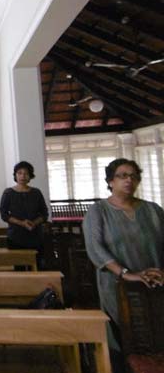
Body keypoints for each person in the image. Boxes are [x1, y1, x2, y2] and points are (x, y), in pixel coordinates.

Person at [83, 158, 164, 372]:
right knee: (124, 336)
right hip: (117, 285)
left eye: (134, 176)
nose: (129, 180)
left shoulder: (153, 210)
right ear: (111, 181)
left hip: (154, 283)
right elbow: (95, 248)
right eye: (122, 176)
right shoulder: (98, 211)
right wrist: (126, 273)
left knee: (156, 332)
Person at [0, 161, 48, 267]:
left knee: (37, 266)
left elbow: (44, 214)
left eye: (26, 173)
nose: (23, 176)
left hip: (35, 235)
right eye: (19, 173)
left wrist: (34, 223)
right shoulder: (8, 193)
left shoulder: (36, 192)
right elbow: (4, 214)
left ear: (30, 176)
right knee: (19, 268)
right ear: (15, 175)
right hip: (15, 236)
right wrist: (21, 223)